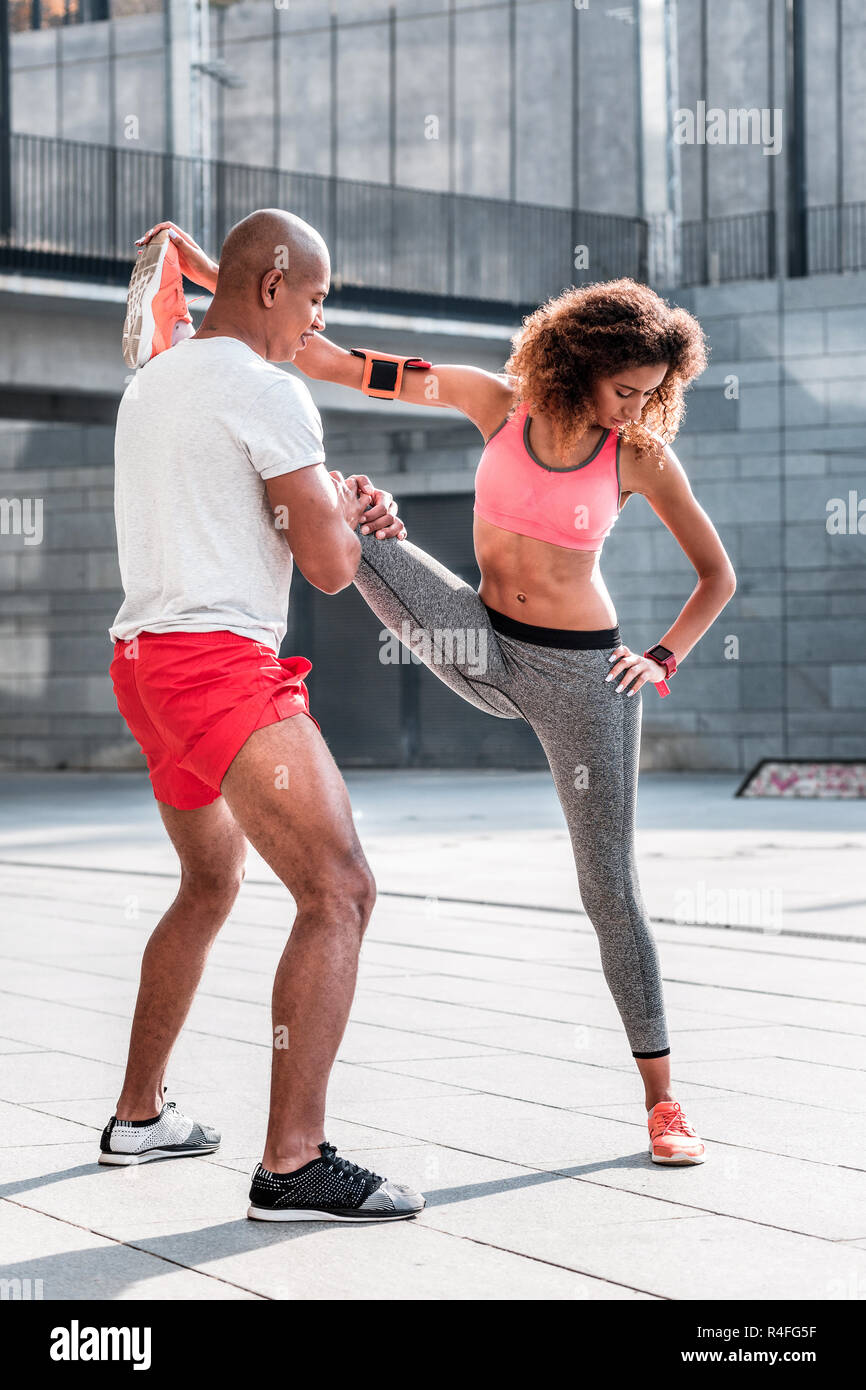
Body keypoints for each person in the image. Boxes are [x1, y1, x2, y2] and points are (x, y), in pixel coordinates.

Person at [133, 218, 737, 1165]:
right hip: (476, 639)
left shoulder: (638, 457)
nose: (633, 409)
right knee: (352, 518)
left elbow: (716, 575)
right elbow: (324, 359)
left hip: (582, 679)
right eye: (625, 389)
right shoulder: (489, 402)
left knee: (606, 885)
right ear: (579, 362)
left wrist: (658, 657)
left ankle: (664, 1103)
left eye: (651, 396)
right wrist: (210, 272)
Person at [103, 211, 425, 1222]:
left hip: (142, 660)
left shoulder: (152, 383)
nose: (316, 326)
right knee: (340, 890)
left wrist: (325, 496)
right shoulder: (267, 389)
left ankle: (139, 1116)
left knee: (209, 881)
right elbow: (328, 569)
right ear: (274, 282)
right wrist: (343, 511)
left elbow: (243, 504)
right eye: (317, 301)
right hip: (219, 664)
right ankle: (292, 1163)